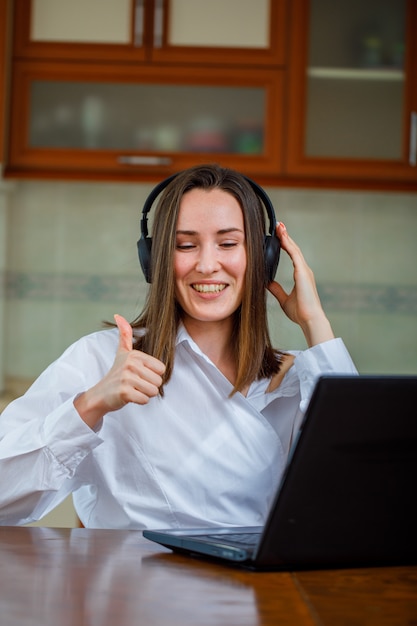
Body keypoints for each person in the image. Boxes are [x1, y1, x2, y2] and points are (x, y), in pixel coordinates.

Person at [0, 164, 357, 529]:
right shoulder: (100, 362)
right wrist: (91, 405)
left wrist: (316, 324)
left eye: (229, 243)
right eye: (185, 245)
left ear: (264, 258)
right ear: (154, 261)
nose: (206, 264)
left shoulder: (299, 379)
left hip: (263, 587)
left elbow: (359, 494)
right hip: (136, 584)